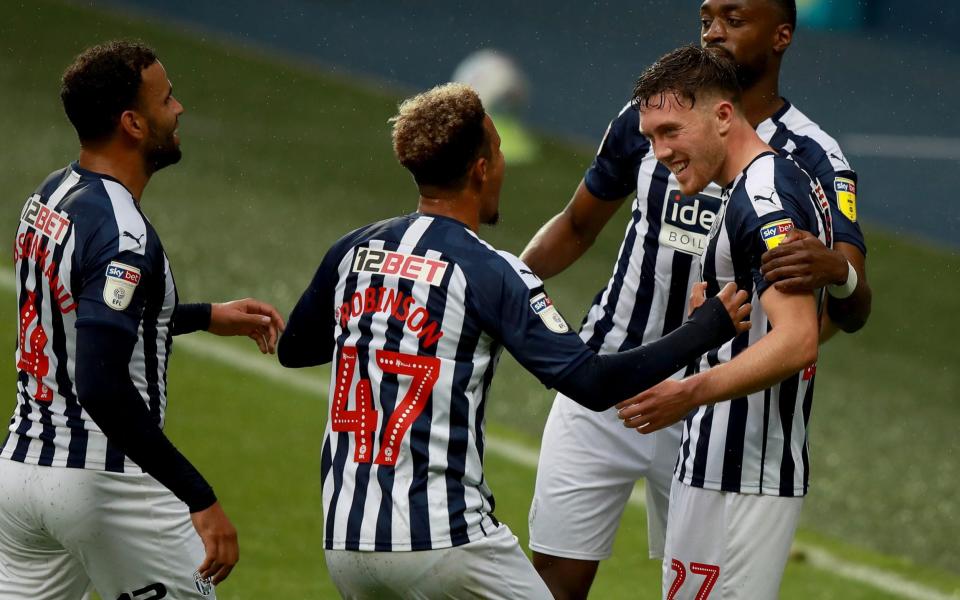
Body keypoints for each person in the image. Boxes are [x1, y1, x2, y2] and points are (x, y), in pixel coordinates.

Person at [277, 82, 751, 599]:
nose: (502, 163)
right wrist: (708, 327)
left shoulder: (353, 250)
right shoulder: (490, 272)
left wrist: (388, 333)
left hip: (346, 542)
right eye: (498, 151)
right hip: (447, 541)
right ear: (482, 169)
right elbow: (592, 383)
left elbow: (295, 348)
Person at [523, 1, 871, 596]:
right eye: (707, 16)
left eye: (735, 19)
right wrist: (500, 289)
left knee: (691, 582)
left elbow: (847, 305)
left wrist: (833, 276)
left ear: (782, 34)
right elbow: (578, 225)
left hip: (710, 408)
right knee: (554, 576)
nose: (714, 31)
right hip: (610, 372)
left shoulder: (811, 158)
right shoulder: (657, 116)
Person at [0, 41, 284, 599]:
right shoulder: (124, 234)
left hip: (20, 476)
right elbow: (101, 383)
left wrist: (202, 315)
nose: (178, 110)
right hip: (105, 481)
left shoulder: (50, 197)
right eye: (167, 99)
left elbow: (81, 313)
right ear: (132, 123)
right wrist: (198, 497)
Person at [617, 44, 830, 598]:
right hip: (715, 461)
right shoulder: (746, 191)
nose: (659, 152)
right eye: (649, 138)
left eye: (670, 131)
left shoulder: (763, 197)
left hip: (744, 473)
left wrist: (689, 392)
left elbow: (799, 338)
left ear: (722, 115)